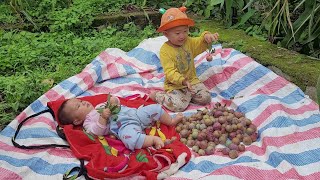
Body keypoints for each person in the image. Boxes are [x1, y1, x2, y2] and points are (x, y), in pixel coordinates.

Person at [149, 7, 219, 112]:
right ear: (166, 34)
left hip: (192, 81)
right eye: (177, 33)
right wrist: (183, 81)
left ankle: (187, 97)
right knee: (178, 106)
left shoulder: (189, 42)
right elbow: (170, 72)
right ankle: (158, 96)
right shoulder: (165, 51)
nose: (182, 36)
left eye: (185, 31)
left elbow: (199, 43)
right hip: (176, 85)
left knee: (206, 98)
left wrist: (206, 37)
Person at [57, 95, 183, 151]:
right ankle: (152, 140)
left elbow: (117, 103)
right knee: (130, 140)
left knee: (154, 108)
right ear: (77, 120)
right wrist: (103, 118)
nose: (83, 102)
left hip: (134, 114)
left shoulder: (100, 105)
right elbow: (96, 131)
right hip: (123, 126)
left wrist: (113, 100)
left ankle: (170, 121)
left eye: (80, 100)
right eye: (78, 106)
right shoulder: (88, 123)